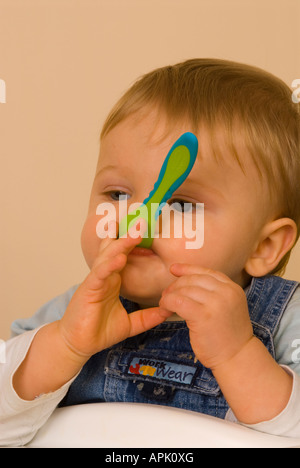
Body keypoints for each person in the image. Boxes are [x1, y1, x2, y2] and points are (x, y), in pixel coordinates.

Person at [1, 59, 300, 447]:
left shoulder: (286, 322)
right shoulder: (73, 313)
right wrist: (66, 345)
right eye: (118, 195)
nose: (136, 220)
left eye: (177, 203)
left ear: (264, 247)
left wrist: (238, 354)